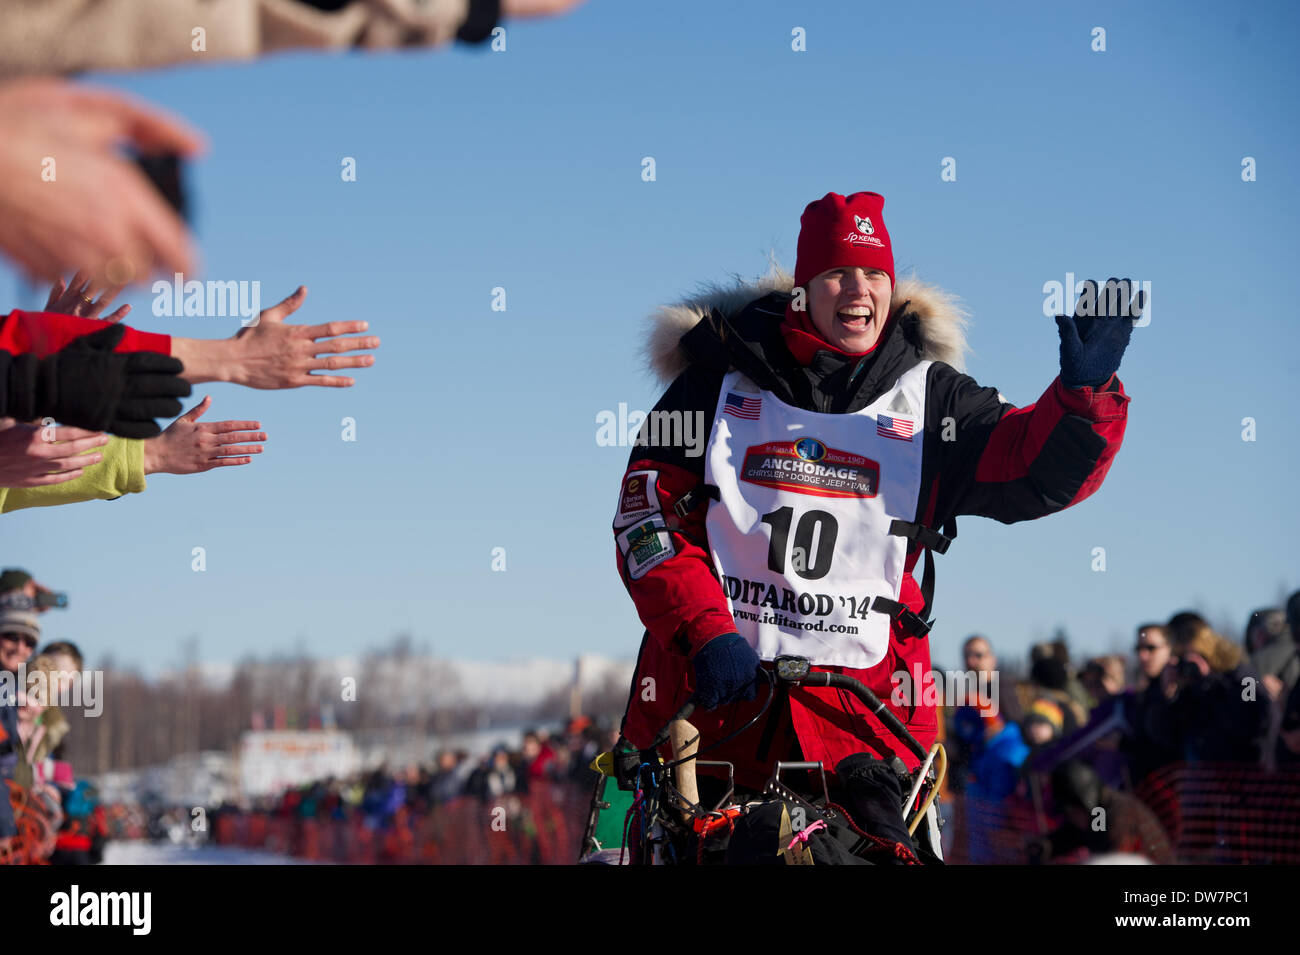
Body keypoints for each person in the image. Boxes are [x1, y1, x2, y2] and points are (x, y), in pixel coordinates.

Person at [611, 190, 1137, 807]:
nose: (859, 291)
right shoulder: (714, 383)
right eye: (837, 273)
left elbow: (1033, 467)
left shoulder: (933, 400)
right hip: (711, 711)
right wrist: (706, 633)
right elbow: (646, 522)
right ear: (803, 289)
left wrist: (1085, 396)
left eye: (875, 274)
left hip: (869, 728)